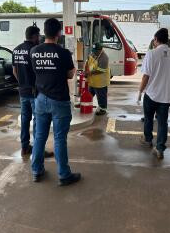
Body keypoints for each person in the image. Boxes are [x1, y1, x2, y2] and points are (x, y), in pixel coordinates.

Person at [30, 18, 81, 186]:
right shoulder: (63, 53)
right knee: (59, 139)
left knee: (39, 136)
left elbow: (36, 71)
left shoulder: (34, 51)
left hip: (40, 99)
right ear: (59, 33)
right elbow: (70, 75)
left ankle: (37, 171)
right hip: (59, 100)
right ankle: (64, 175)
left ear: (44, 32)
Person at [137, 28, 170, 160]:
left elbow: (146, 76)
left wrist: (140, 91)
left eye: (154, 40)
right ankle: (160, 147)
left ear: (155, 39)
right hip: (166, 96)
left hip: (151, 94)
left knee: (148, 118)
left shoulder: (151, 53)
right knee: (162, 122)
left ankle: (148, 139)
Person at [12, 26, 54, 158]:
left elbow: (14, 71)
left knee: (25, 119)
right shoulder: (33, 50)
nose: (39, 38)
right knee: (38, 120)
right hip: (34, 92)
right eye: (38, 36)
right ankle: (38, 150)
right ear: (35, 36)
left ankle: (25, 147)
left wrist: (22, 83)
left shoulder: (16, 50)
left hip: (22, 91)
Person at [85, 43, 110, 115]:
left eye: (96, 51)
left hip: (100, 82)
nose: (94, 52)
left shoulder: (104, 57)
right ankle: (86, 104)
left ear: (100, 50)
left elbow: (100, 70)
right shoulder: (93, 53)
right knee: (89, 94)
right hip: (92, 81)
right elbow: (88, 61)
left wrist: (89, 73)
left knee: (101, 96)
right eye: (93, 51)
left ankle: (103, 109)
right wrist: (86, 70)